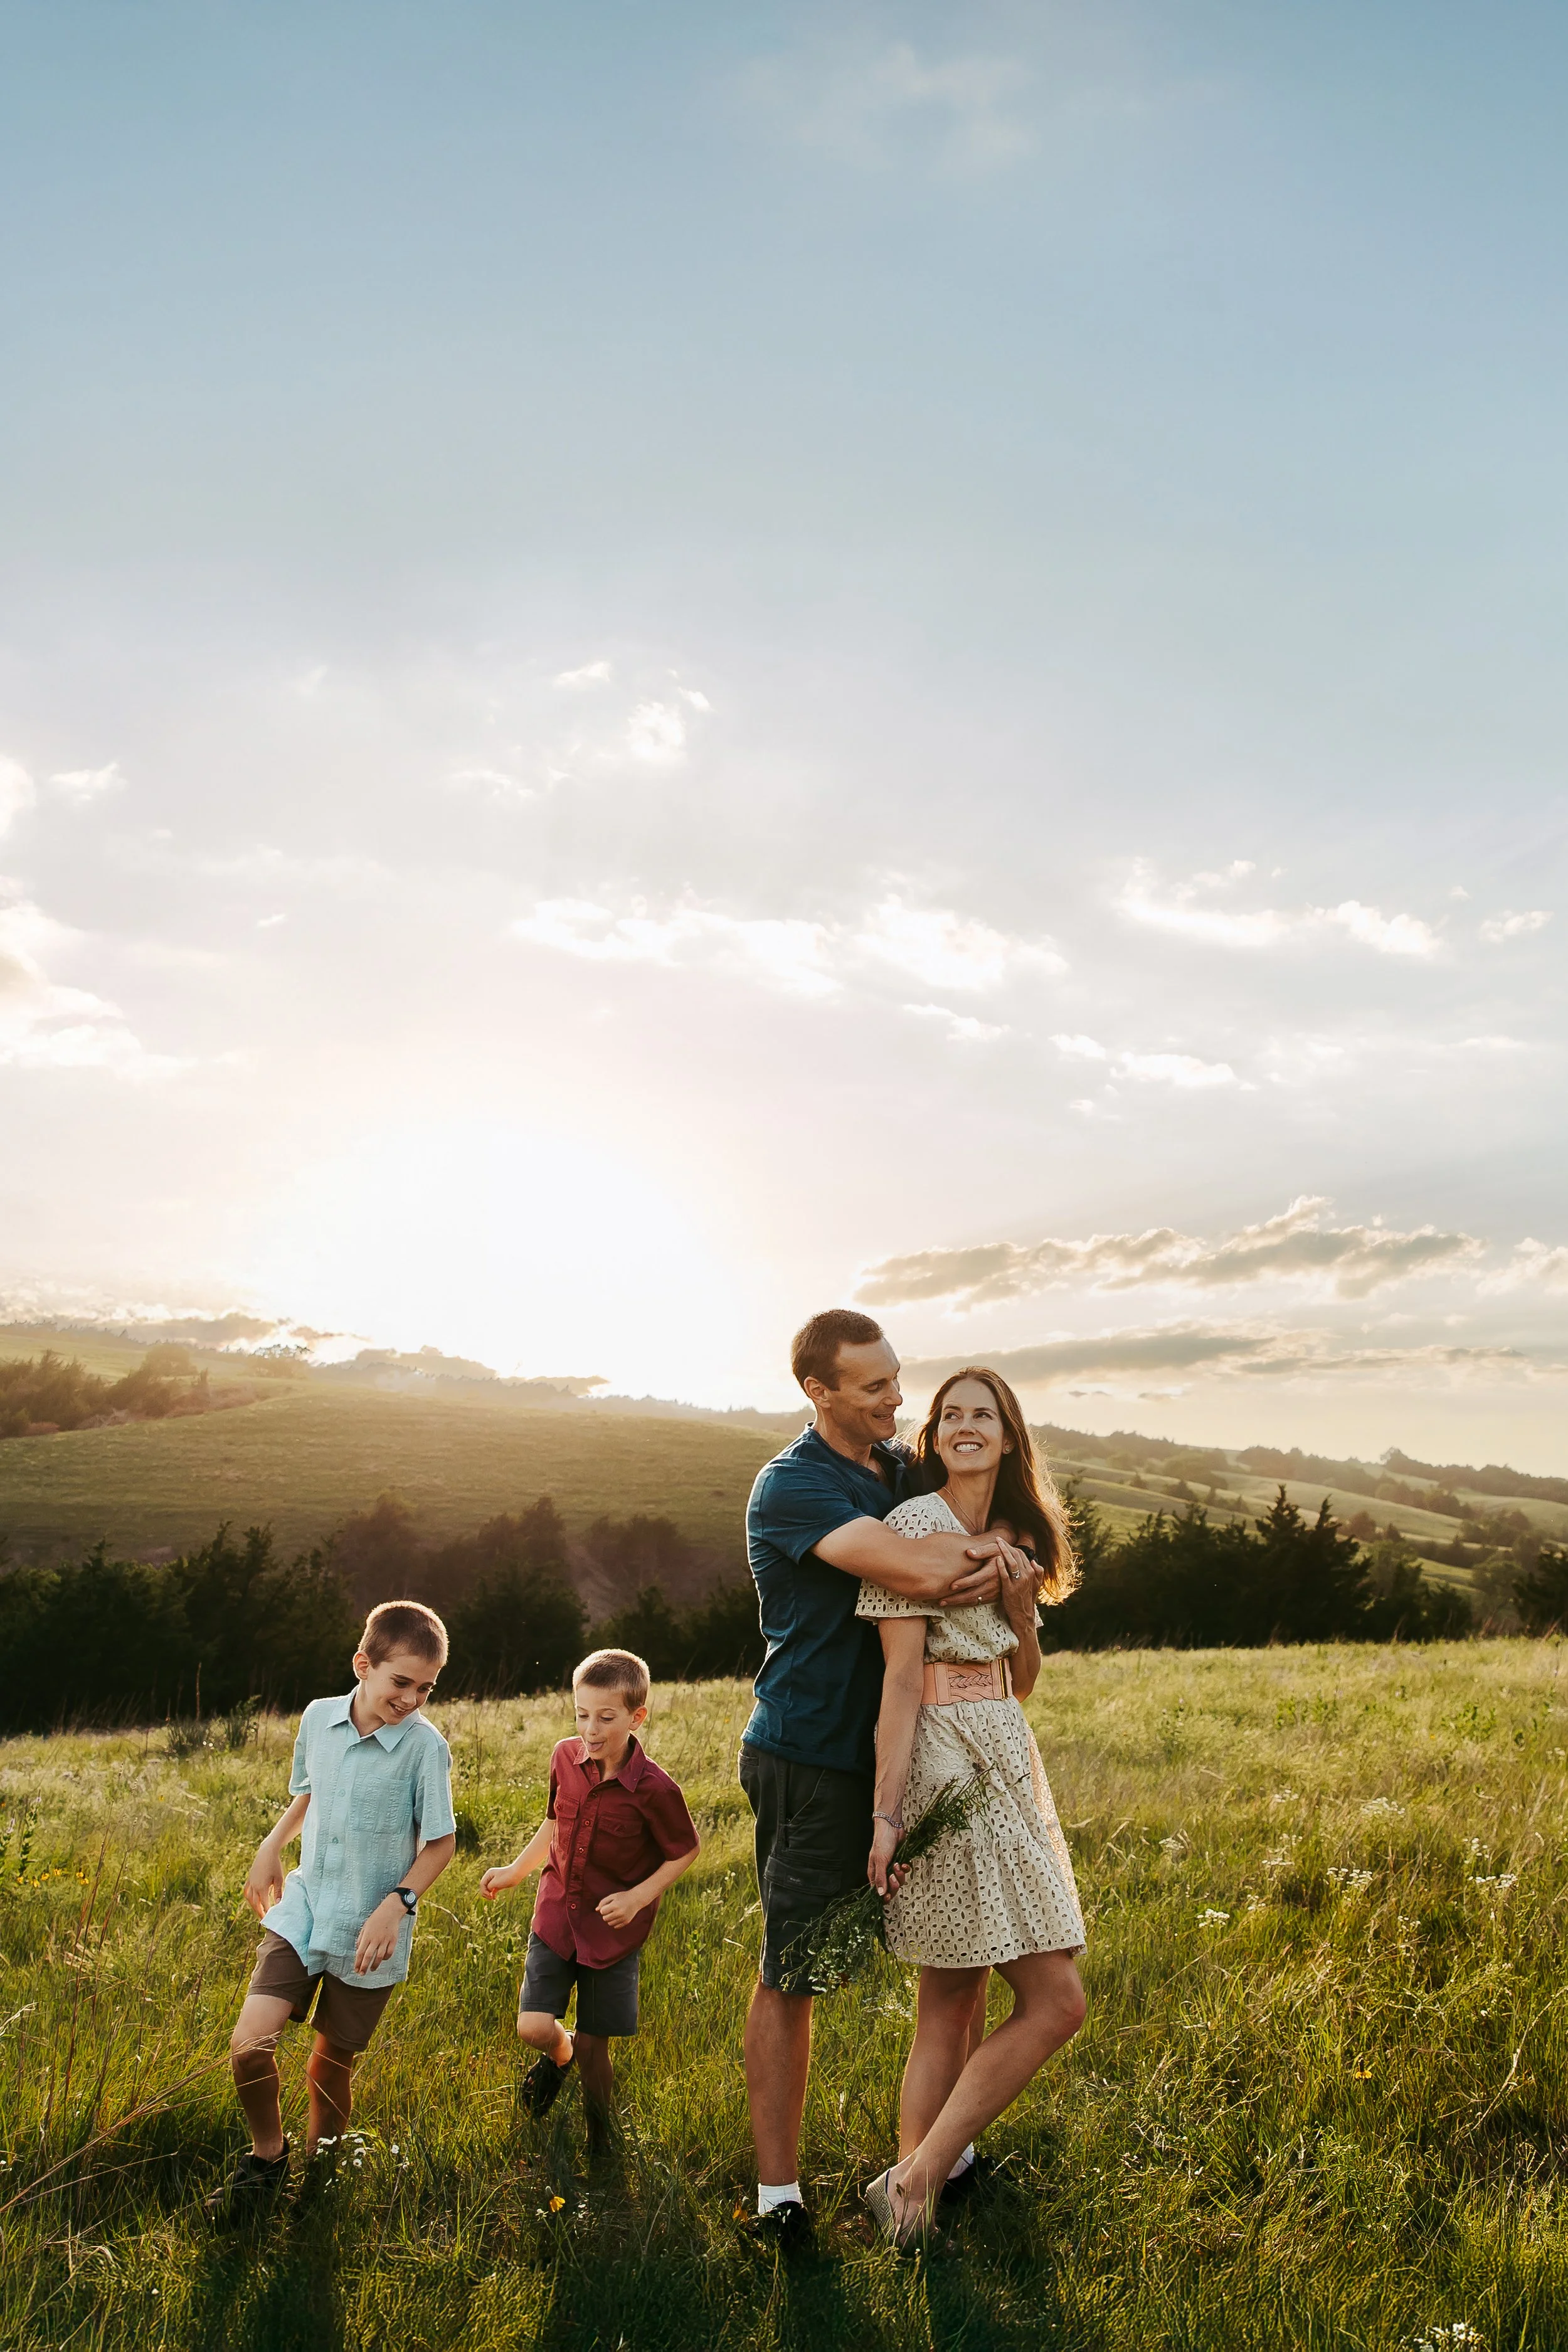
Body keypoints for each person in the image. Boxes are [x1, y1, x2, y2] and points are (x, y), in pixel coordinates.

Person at [738, 1308, 1036, 2251]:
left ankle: (938, 2156)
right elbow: (916, 1563)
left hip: (925, 1750)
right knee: (797, 1970)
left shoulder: (897, 1468)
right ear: (817, 1390)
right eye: (874, 1387)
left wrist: (1003, 1559)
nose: (898, 1399)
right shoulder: (792, 1486)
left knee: (963, 1953)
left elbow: (968, 1528)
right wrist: (1001, 1560)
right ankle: (777, 2196)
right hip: (818, 1752)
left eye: (897, 1378)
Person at [856, 1367, 1087, 2247]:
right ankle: (916, 2177)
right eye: (949, 1414)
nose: (963, 1425)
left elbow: (1020, 1679)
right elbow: (902, 1680)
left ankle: (914, 2203)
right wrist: (887, 1816)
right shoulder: (914, 1528)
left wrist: (1024, 1611)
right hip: (946, 1763)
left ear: (1007, 1433)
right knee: (1055, 2001)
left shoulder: (1016, 1534)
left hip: (1006, 1749)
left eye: (981, 1414)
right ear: (934, 1436)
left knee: (954, 1997)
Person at [210, 1600, 457, 2222]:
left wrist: (396, 1907)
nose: (411, 1698)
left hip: (369, 1933)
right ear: (363, 1665)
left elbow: (442, 1842)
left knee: (329, 2064)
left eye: (425, 1687)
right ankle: (268, 2158)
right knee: (249, 2046)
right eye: (400, 1682)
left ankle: (318, 2182)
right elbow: (307, 1793)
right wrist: (270, 1848)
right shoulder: (319, 1718)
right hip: (306, 1907)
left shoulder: (425, 1749)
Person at [482, 1646, 699, 2146]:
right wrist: (517, 1870)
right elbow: (555, 1819)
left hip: (613, 1933)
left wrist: (638, 1898)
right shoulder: (564, 1756)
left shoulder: (656, 1789)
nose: (591, 1729)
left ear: (636, 1716)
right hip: (557, 1914)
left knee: (597, 2049)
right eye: (582, 1715)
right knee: (534, 2026)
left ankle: (600, 2136)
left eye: (606, 1717)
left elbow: (686, 1850)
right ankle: (561, 2055)